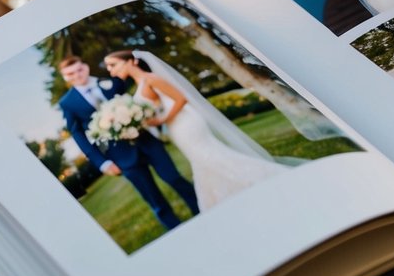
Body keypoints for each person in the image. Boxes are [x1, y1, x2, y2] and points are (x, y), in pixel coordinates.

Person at [103, 50, 289, 212]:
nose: (111, 70)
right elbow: (158, 106)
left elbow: (180, 99)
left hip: (185, 123)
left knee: (209, 156)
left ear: (131, 61)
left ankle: (264, 178)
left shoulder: (150, 78)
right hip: (175, 126)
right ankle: (224, 196)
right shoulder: (140, 84)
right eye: (109, 67)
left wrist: (162, 120)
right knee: (201, 161)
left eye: (113, 65)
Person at [58, 55, 198, 231]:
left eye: (79, 69)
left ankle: (200, 210)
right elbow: (78, 135)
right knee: (153, 198)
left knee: (174, 178)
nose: (77, 75)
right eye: (71, 73)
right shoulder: (67, 103)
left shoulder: (111, 82)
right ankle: (177, 230)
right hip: (120, 156)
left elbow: (136, 100)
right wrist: (102, 163)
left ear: (85, 67)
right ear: (66, 77)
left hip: (146, 141)